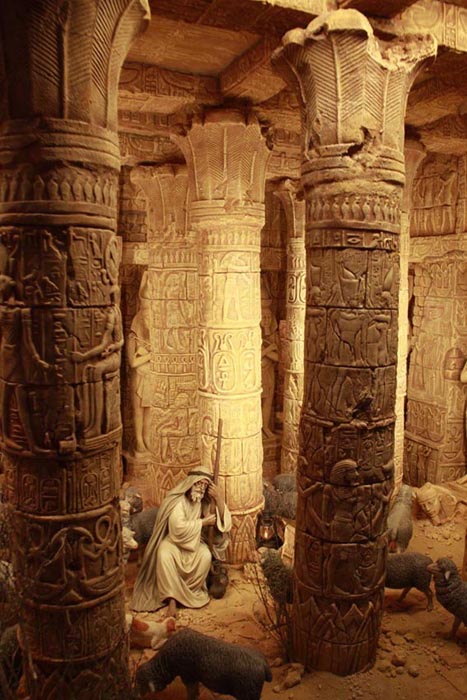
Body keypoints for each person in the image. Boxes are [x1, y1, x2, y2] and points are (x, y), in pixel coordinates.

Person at [130, 466, 232, 615]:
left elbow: (223, 522)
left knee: (205, 555)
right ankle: (172, 599)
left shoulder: (202, 502)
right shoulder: (178, 501)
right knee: (164, 553)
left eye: (205, 485)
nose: (201, 488)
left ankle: (191, 592)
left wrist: (218, 498)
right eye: (199, 483)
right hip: (175, 544)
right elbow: (177, 528)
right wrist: (202, 523)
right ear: (191, 483)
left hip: (194, 544)